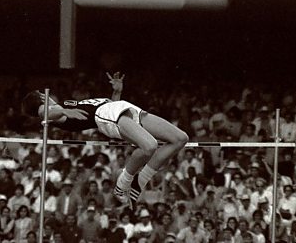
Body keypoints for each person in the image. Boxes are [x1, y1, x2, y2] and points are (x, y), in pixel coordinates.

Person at [21, 72, 189, 209]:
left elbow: (106, 108)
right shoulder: (51, 110)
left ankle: (140, 179)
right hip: (106, 116)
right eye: (43, 95)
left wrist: (116, 92)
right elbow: (46, 114)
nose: (47, 96)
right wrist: (65, 111)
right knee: (150, 146)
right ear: (41, 98)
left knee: (180, 139)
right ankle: (123, 184)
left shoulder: (62, 105)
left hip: (120, 108)